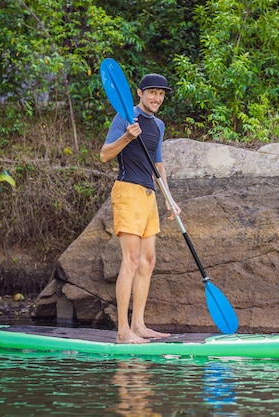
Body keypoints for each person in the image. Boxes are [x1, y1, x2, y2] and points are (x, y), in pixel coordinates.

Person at [100, 73, 181, 344]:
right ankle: (123, 331)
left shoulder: (158, 125)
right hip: (127, 192)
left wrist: (168, 197)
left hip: (148, 197)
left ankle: (139, 324)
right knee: (131, 261)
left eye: (161, 94)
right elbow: (104, 155)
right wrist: (126, 137)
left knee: (148, 261)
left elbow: (158, 164)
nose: (157, 98)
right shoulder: (125, 117)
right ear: (140, 93)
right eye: (152, 93)